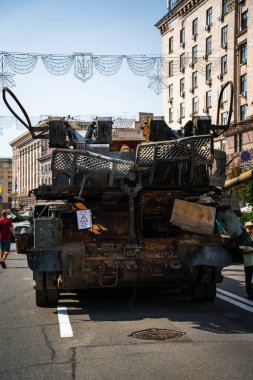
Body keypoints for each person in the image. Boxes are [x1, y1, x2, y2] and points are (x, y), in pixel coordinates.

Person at [239, 221, 253, 300]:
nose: (250, 230)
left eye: (252, 228)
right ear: (246, 229)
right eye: (249, 228)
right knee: (248, 280)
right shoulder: (244, 239)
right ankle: (250, 295)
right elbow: (244, 252)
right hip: (248, 263)